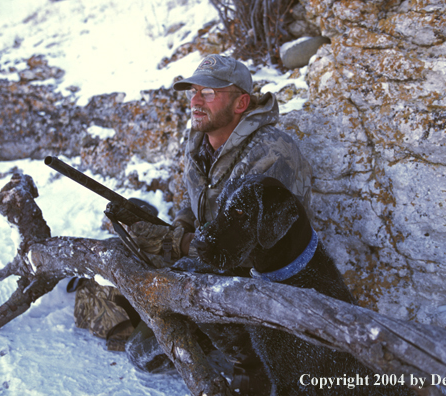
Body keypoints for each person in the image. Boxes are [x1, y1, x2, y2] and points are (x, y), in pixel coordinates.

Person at [126, 54, 313, 394]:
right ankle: (194, 328)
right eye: (193, 91)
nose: (196, 100)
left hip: (266, 279)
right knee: (132, 216)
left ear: (241, 102)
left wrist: (175, 242)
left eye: (209, 93)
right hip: (210, 254)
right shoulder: (200, 139)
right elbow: (198, 199)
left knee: (183, 280)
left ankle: (253, 365)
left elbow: (245, 253)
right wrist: (181, 221)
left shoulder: (271, 153)